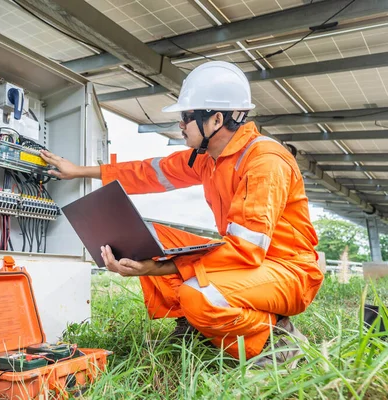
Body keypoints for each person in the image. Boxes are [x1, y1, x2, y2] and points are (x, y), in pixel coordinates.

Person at [40, 61, 323, 366]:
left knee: (198, 295)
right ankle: (195, 324)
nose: (181, 125)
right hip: (249, 263)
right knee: (150, 237)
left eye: (187, 117)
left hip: (287, 272)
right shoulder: (209, 158)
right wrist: (78, 171)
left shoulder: (265, 162)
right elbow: (147, 172)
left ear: (216, 120)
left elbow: (247, 250)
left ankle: (278, 341)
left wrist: (155, 268)